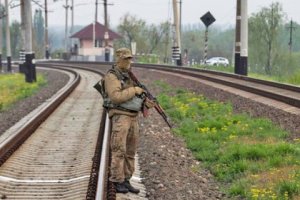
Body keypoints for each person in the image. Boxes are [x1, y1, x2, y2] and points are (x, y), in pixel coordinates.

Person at [104, 47, 155, 194]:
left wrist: (146, 104)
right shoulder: (112, 76)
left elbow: (136, 98)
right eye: (126, 59)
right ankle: (117, 180)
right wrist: (135, 90)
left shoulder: (130, 76)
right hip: (121, 116)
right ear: (118, 59)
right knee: (119, 150)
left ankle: (126, 180)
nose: (129, 61)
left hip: (133, 117)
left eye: (130, 59)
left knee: (131, 152)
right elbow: (116, 97)